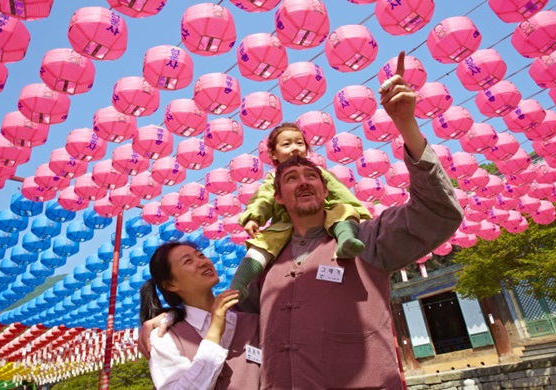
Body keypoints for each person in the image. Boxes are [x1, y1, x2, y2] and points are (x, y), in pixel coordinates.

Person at [140, 51, 464, 389]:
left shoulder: (366, 239)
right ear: (277, 196)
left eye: (311, 175)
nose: (303, 181)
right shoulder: (265, 267)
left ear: (326, 191)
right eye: (291, 178)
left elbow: (438, 212)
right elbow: (228, 318)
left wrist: (407, 126)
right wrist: (171, 315)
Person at [230, 122, 373, 299]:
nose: (295, 148)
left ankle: (346, 240)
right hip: (284, 227)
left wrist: (360, 215)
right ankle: (239, 283)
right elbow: (262, 200)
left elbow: (341, 194)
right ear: (273, 154)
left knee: (342, 210)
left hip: (325, 217)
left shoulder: (318, 172)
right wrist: (253, 218)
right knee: (262, 244)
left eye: (299, 143)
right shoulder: (272, 180)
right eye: (286, 144)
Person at [139, 241, 260, 390]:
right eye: (188, 261)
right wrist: (215, 329)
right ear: (171, 285)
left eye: (201, 255)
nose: (202, 262)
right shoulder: (164, 338)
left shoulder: (253, 321)